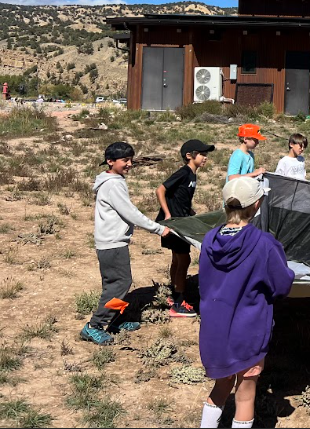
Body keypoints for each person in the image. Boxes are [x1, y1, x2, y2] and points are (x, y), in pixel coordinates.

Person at [198, 178, 295, 429]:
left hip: (214, 329)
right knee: (245, 394)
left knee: (221, 385)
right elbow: (282, 285)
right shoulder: (264, 243)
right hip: (248, 330)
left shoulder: (209, 239)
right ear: (257, 205)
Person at [81, 142, 173, 346]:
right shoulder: (113, 184)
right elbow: (130, 213)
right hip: (112, 243)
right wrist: (159, 229)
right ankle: (94, 326)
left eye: (131, 159)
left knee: (115, 284)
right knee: (121, 283)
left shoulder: (113, 180)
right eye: (125, 160)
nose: (130, 164)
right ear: (110, 161)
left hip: (112, 242)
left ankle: (115, 320)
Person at [156, 139, 215, 319]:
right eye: (202, 154)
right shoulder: (183, 173)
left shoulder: (192, 175)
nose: (205, 157)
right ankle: (179, 303)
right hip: (175, 223)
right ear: (189, 155)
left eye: (206, 154)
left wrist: (191, 212)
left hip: (181, 220)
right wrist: (168, 214)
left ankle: (174, 294)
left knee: (177, 259)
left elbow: (181, 198)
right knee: (184, 259)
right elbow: (160, 190)